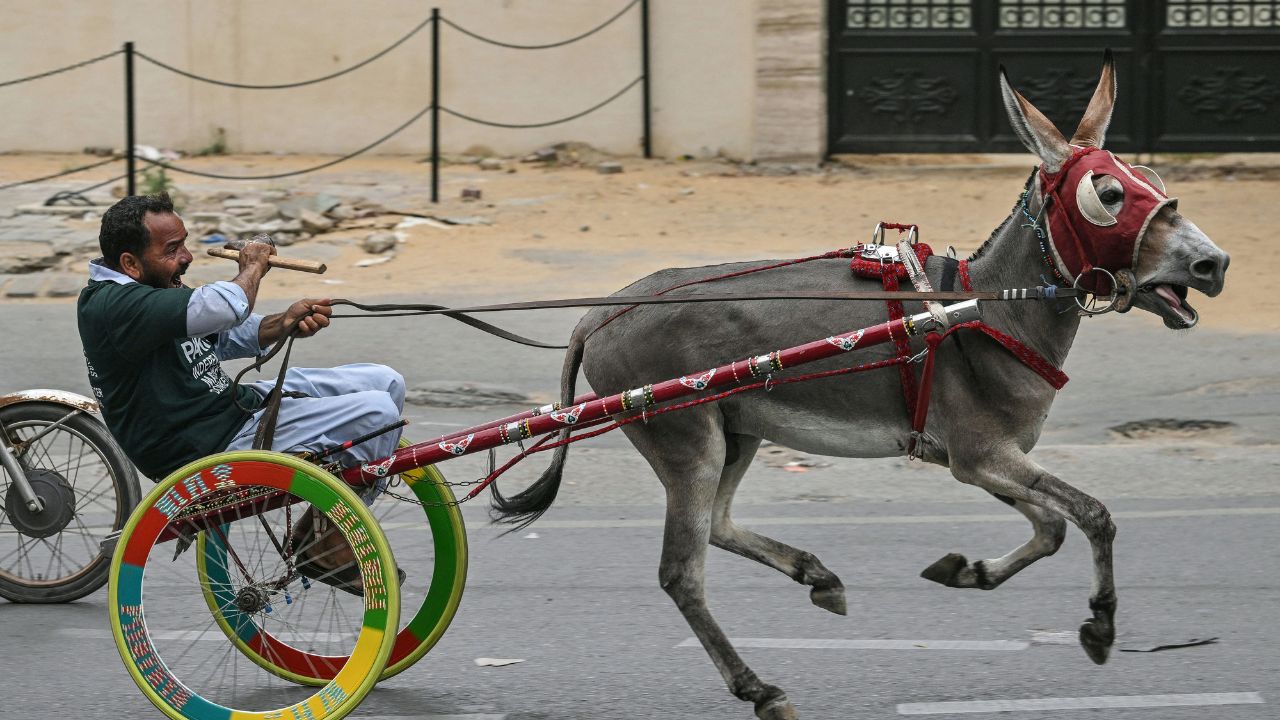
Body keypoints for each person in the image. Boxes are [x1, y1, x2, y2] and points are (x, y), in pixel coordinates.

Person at [78, 193, 402, 593]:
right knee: (377, 413)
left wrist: (285, 320)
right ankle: (328, 542)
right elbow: (223, 307)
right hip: (203, 444)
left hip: (233, 411)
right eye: (173, 249)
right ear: (129, 263)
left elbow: (225, 334)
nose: (188, 256)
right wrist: (252, 266)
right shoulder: (116, 304)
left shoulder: (152, 288)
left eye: (185, 244)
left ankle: (322, 528)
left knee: (386, 381)